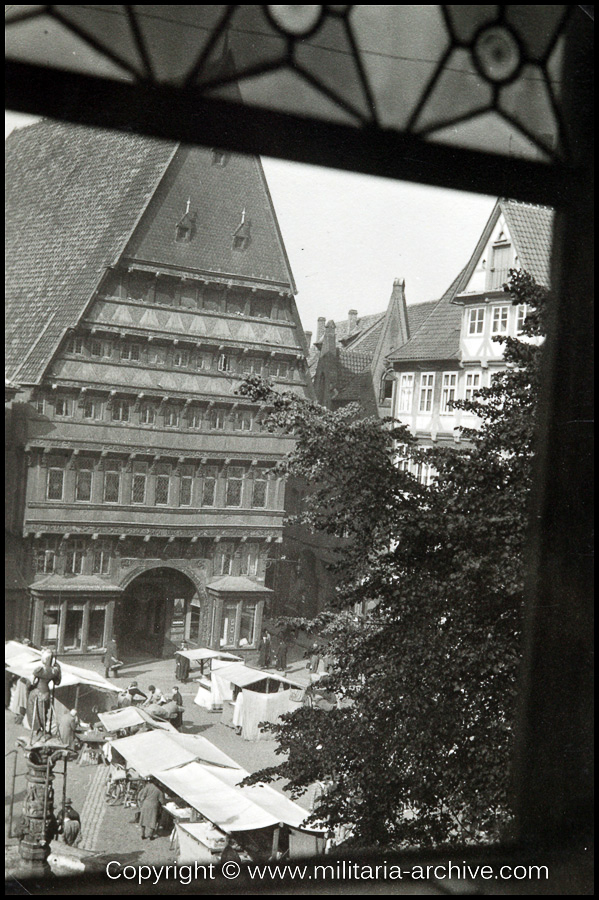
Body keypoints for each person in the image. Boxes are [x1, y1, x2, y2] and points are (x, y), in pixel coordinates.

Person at [29, 649, 61, 737]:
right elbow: (57, 682)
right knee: (44, 711)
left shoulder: (40, 669)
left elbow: (32, 681)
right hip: (46, 693)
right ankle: (44, 728)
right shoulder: (54, 671)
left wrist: (34, 684)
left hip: (38, 691)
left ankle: (38, 727)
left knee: (34, 708)